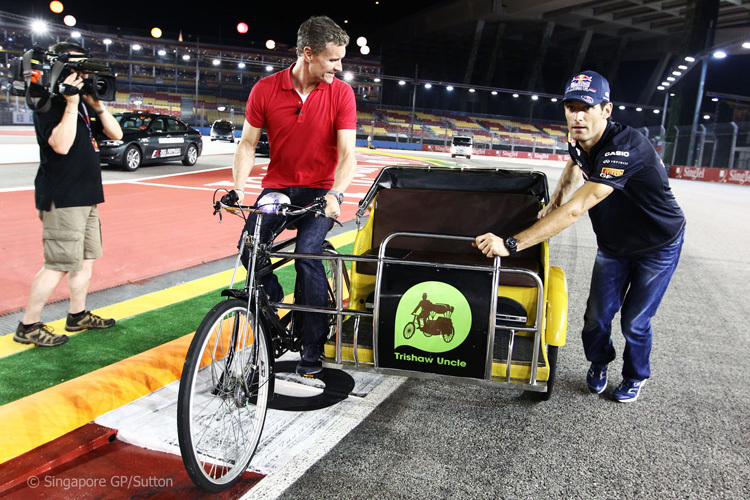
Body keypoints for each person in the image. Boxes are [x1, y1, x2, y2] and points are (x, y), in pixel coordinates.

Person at [474, 70, 686, 403]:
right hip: (614, 245)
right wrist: (555, 198)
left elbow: (579, 208)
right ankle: (600, 362)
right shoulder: (579, 139)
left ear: (607, 110)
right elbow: (574, 165)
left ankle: (635, 374)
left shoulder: (625, 148)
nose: (578, 115)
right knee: (596, 319)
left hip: (657, 246)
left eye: (586, 107)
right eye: (571, 107)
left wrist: (511, 244)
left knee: (634, 321)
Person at [228, 16, 357, 376]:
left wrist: (337, 194)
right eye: (333, 60)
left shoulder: (341, 94)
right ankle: (271, 295)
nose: (339, 67)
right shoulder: (265, 89)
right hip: (278, 190)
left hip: (320, 194)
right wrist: (239, 187)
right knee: (249, 245)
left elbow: (347, 155)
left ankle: (312, 344)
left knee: (307, 254)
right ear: (308, 53)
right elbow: (247, 144)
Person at [15, 42, 123, 347]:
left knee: (86, 260)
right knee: (59, 263)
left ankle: (77, 315)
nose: (81, 74)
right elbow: (60, 145)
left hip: (86, 195)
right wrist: (72, 103)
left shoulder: (85, 104)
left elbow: (116, 134)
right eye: (75, 67)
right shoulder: (48, 102)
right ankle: (28, 325)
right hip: (62, 196)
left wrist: (96, 105)